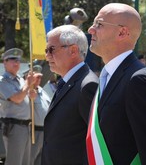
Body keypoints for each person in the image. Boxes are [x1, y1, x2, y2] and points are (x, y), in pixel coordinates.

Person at [87, 3, 146, 164]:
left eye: (99, 24)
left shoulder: (138, 79)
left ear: (122, 32)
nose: (91, 29)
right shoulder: (108, 75)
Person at [41, 25, 98, 165]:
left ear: (73, 50)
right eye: (46, 50)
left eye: (51, 49)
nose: (47, 55)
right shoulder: (67, 82)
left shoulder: (88, 85)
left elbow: (97, 142)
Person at [0, 48, 39, 165]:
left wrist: (32, 95)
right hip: (13, 126)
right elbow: (17, 99)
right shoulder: (2, 81)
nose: (16, 63)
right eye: (12, 60)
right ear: (4, 63)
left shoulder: (20, 80)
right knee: (14, 162)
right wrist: (28, 84)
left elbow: (24, 98)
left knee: (25, 162)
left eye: (17, 60)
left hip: (26, 126)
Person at [28, 66, 51, 165]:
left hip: (45, 131)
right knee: (30, 160)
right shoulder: (28, 91)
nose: (39, 79)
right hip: (34, 131)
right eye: (36, 77)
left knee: (40, 160)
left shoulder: (43, 91)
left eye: (40, 77)